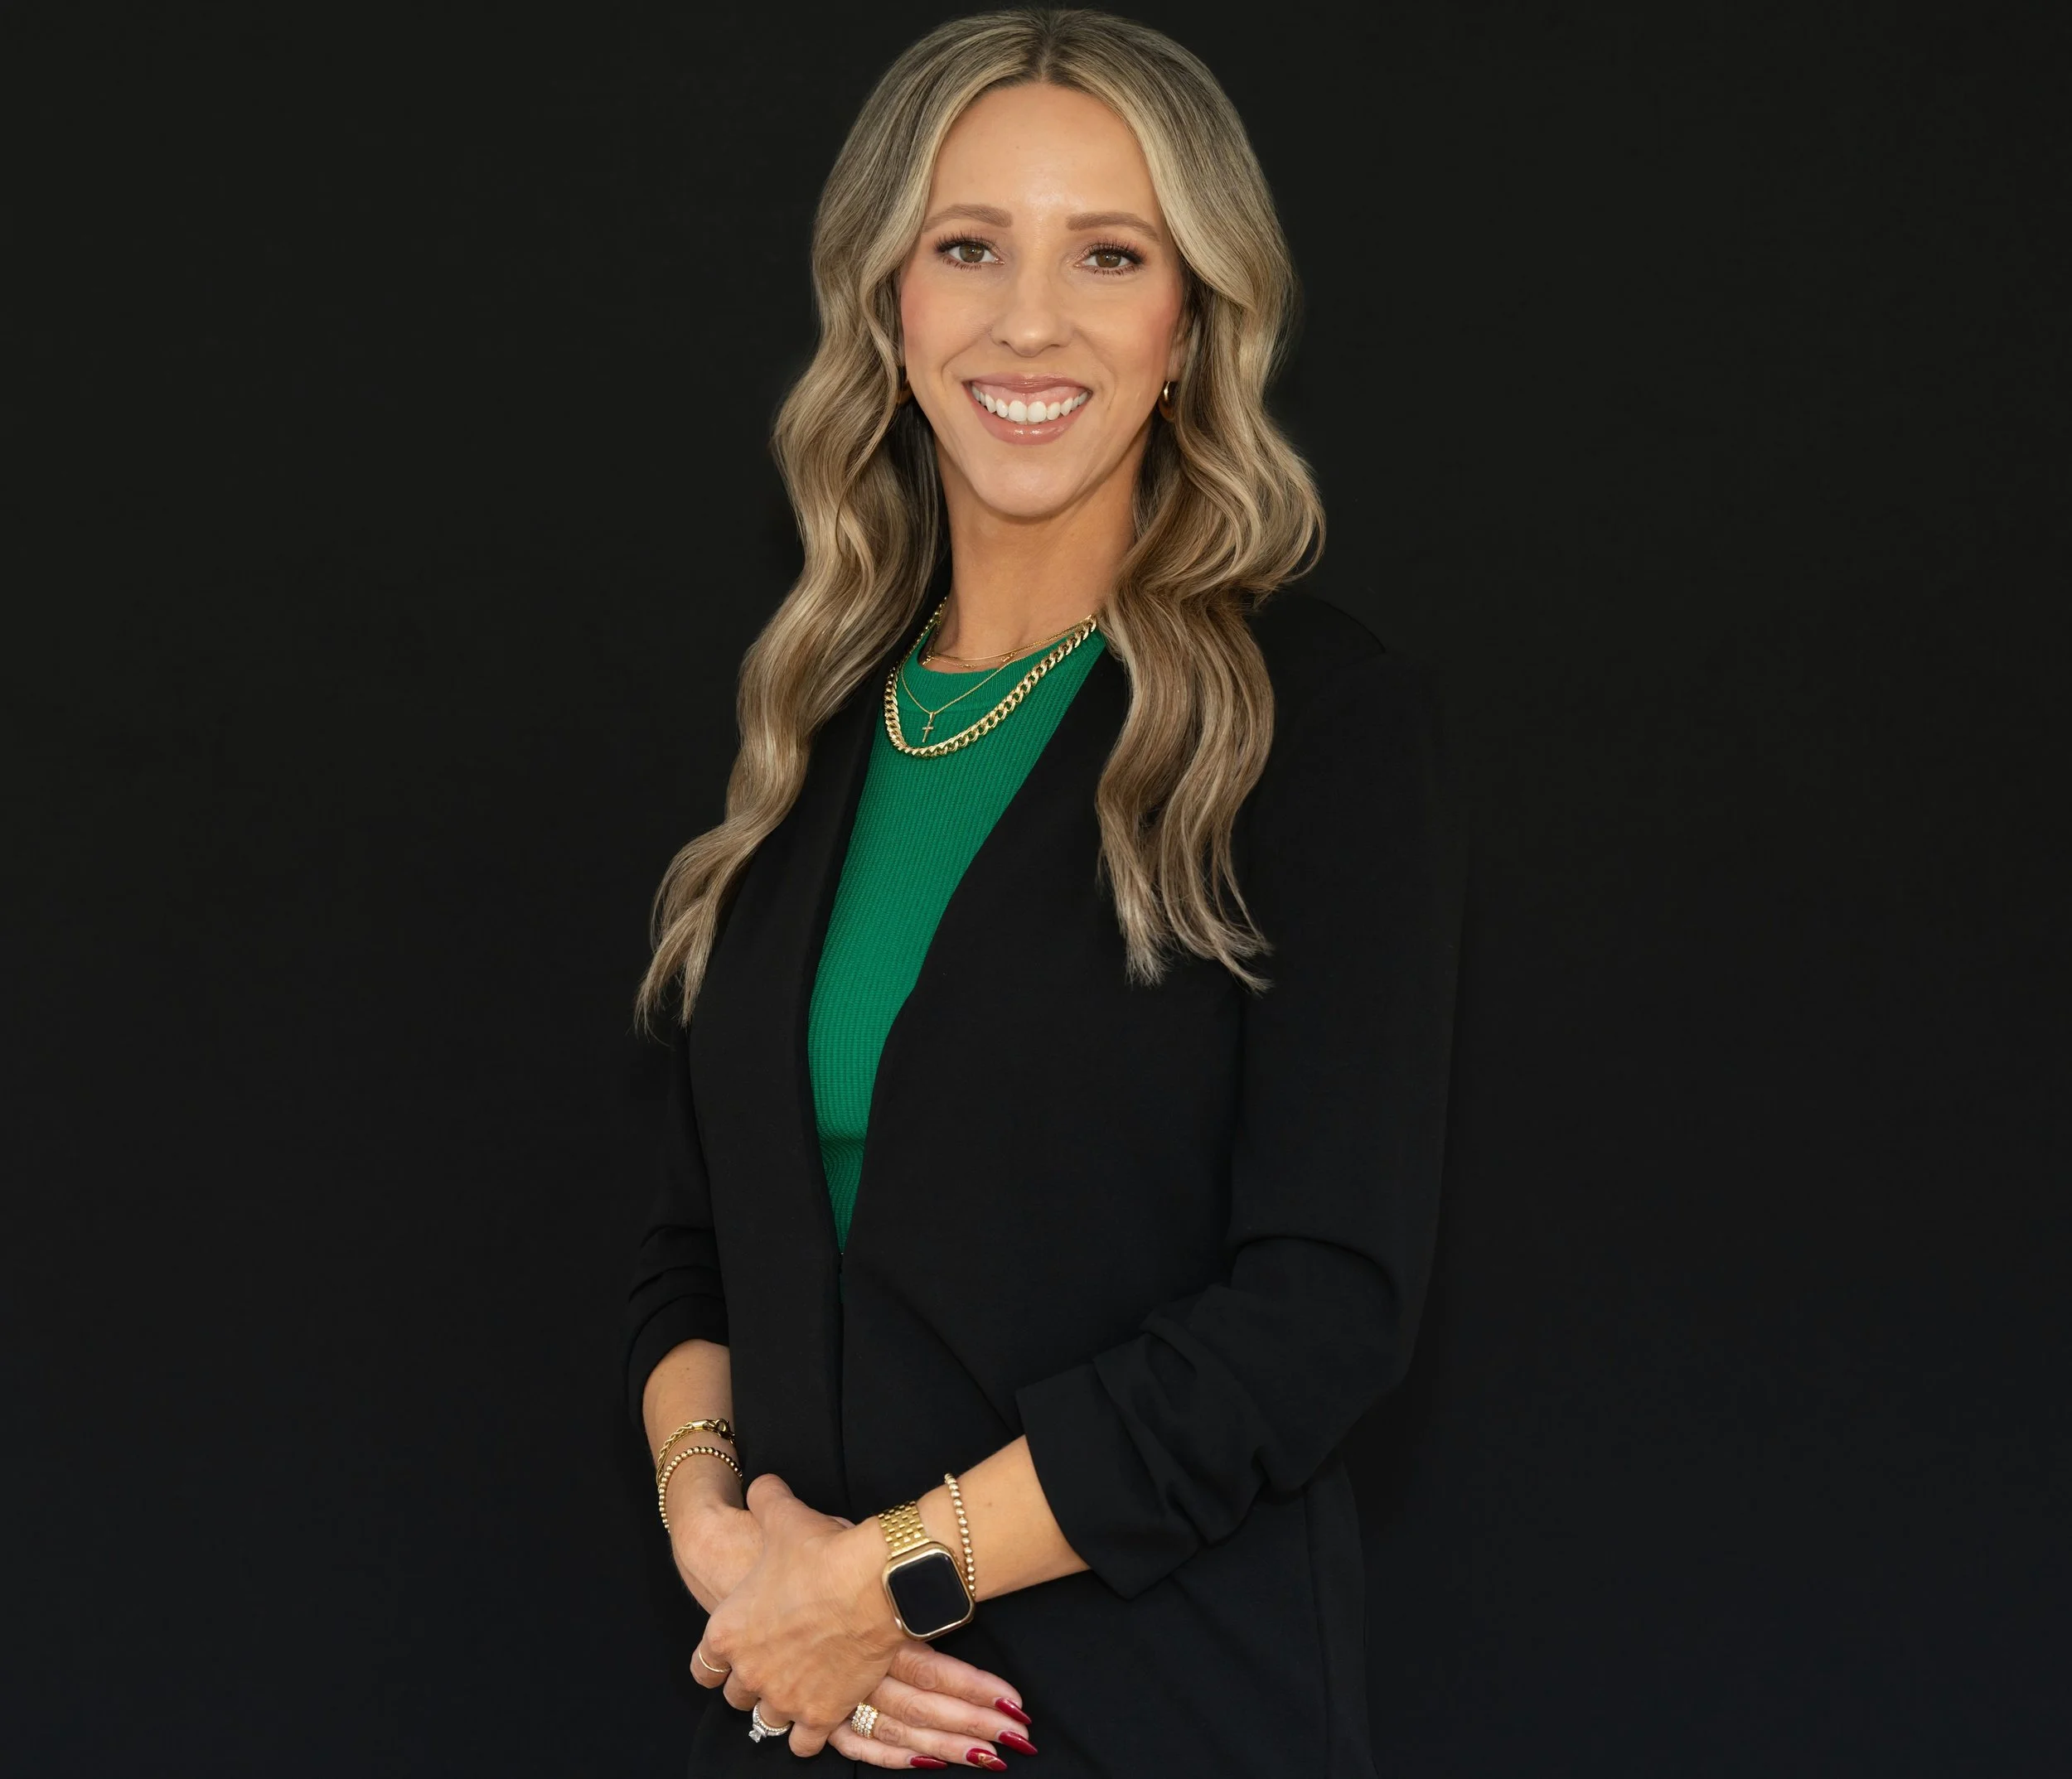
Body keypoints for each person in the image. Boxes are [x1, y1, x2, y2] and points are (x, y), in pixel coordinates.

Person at [622, 9, 1463, 1774]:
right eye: (965, 247)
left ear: (1186, 324)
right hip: (804, 1707)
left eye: (1106, 253)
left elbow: (1318, 1306)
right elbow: (690, 1255)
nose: (1027, 319)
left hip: (1144, 1713)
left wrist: (888, 1577)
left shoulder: (1312, 718)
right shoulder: (812, 731)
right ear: (889, 306)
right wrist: (730, 1549)